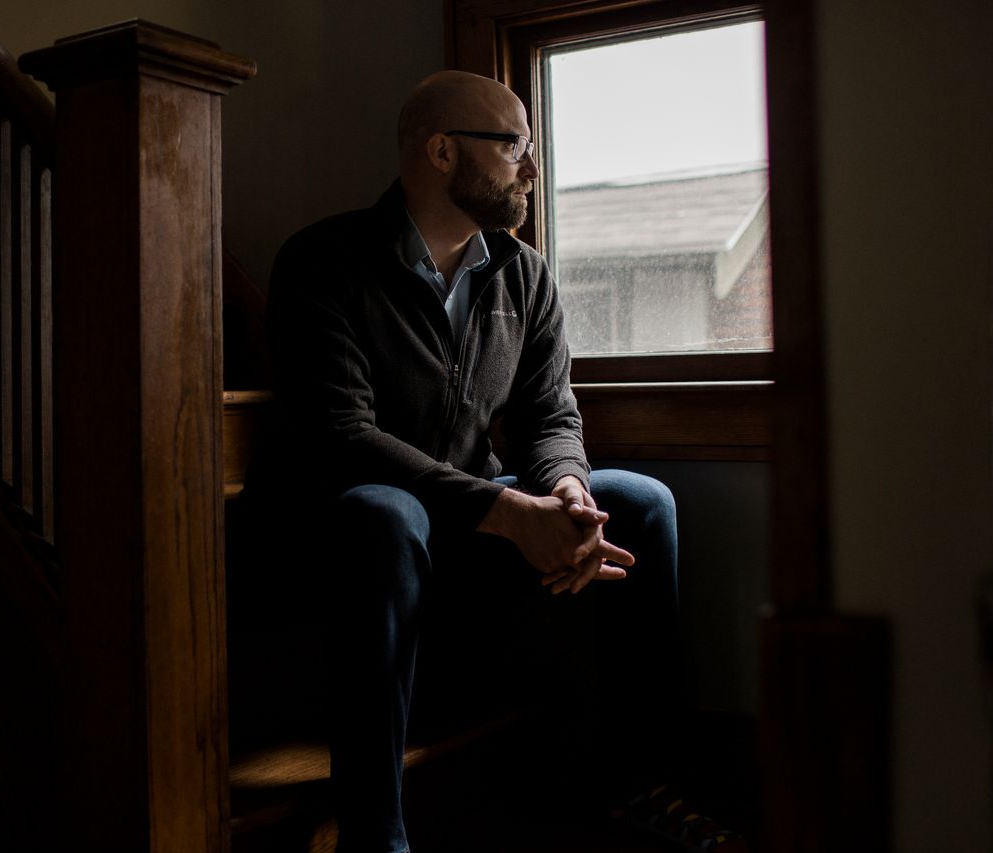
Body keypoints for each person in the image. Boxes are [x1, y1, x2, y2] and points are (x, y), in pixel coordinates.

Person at [254, 70, 680, 853]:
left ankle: (640, 796)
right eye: (514, 144)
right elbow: (344, 436)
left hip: (479, 532)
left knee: (644, 502)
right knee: (384, 509)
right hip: (364, 543)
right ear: (443, 151)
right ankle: (376, 834)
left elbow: (549, 414)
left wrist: (565, 493)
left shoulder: (523, 273)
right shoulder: (325, 262)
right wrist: (507, 512)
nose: (531, 167)